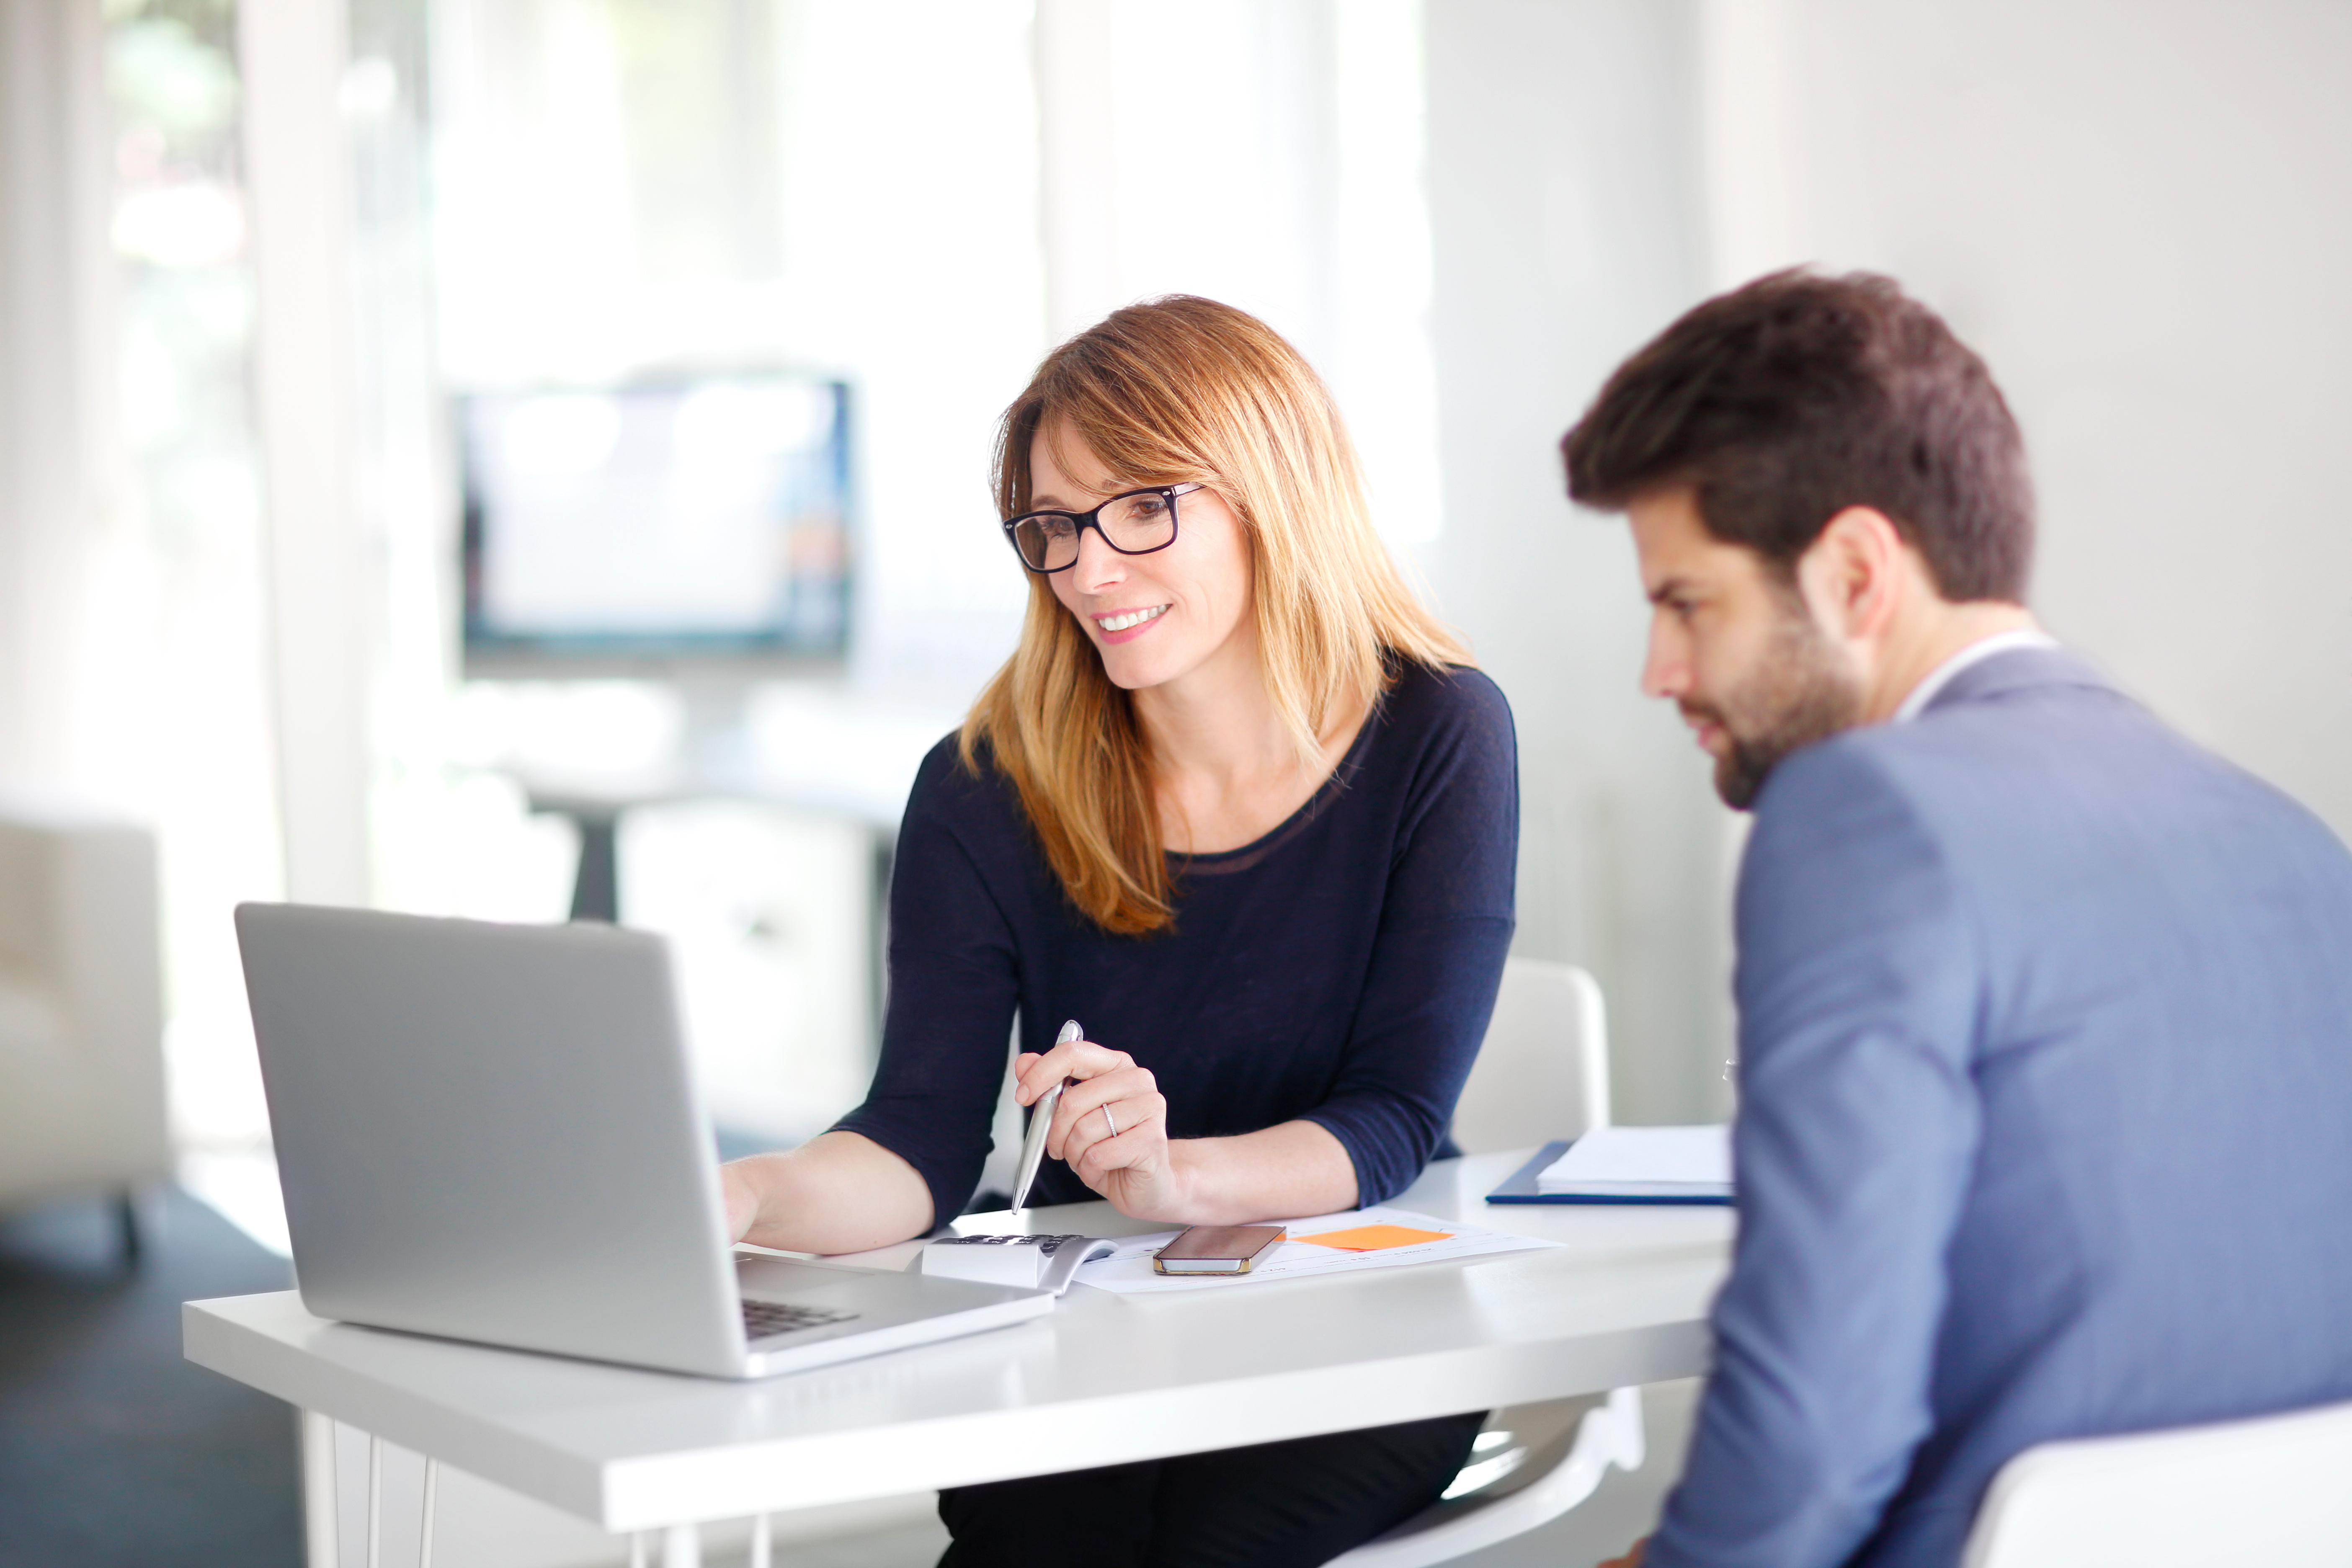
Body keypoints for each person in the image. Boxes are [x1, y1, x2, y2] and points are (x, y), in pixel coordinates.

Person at [1560, 270, 2352, 1568]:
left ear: (1856, 572)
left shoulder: (1859, 811)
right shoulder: (2288, 834)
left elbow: (1818, 1429)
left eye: (1687, 603)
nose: (1660, 672)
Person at [722, 294, 1517, 1567]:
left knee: (1208, 1543)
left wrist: (1172, 1176)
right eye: (1053, 527)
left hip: (1358, 1320)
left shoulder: (1437, 732)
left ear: (1272, 489)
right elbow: (919, 1142)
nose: (1089, 569)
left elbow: (1393, 1118)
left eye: (1143, 508)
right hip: (1079, 1326)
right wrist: (743, 1192)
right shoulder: (985, 784)